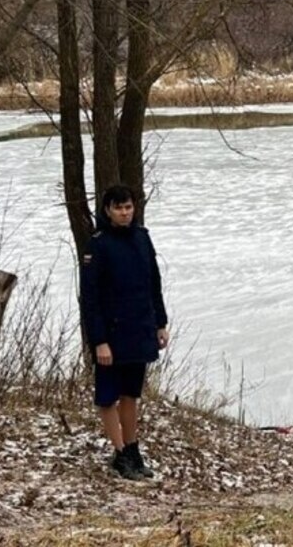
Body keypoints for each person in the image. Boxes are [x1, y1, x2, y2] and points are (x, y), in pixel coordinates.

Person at [81, 185, 170, 480]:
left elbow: (153, 284)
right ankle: (119, 453)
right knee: (108, 398)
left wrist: (160, 323)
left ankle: (132, 449)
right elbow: (90, 298)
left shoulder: (142, 238)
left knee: (131, 394)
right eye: (119, 208)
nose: (124, 212)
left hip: (139, 330)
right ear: (107, 210)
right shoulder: (99, 244)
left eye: (128, 207)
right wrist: (100, 341)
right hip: (111, 335)